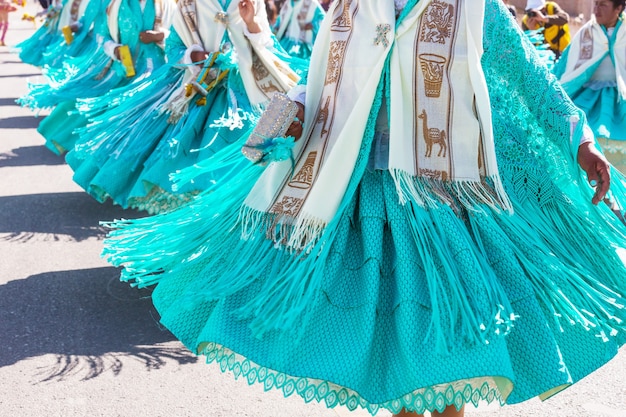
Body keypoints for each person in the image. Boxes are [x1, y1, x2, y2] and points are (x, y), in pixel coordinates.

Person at [102, 0, 626, 416]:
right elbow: (322, 81)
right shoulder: (350, 8)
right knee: (390, 338)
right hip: (361, 188)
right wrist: (291, 113)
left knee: (445, 334)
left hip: (443, 193)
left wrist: (580, 142)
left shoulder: (474, 7)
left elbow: (529, 76)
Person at [63, 0, 304, 214]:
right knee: (185, 160)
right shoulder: (189, 5)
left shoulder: (252, 2)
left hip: (245, 93)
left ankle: (226, 221)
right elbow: (173, 51)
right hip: (197, 91)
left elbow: (268, 46)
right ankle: (192, 226)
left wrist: (251, 23)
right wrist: (194, 55)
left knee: (244, 165)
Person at [19, 0, 175, 157]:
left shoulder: (167, 6)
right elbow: (101, 34)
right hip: (119, 69)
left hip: (155, 74)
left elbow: (179, 41)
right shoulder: (115, 5)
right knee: (90, 103)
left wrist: (161, 36)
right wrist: (115, 49)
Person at [554, 0, 626, 174]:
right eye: (596, 4)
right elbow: (566, 66)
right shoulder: (587, 32)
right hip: (588, 96)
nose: (596, 9)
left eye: (603, 5)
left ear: (618, 8)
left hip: (619, 97)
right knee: (580, 131)